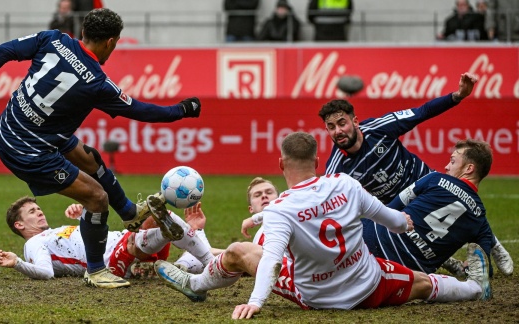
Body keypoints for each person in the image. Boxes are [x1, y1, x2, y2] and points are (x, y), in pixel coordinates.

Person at [0, 8, 202, 288]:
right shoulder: (97, 83)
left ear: (83, 32)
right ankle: (96, 271)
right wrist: (182, 109)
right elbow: (143, 111)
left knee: (90, 158)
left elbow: (4, 50)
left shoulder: (53, 39)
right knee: (96, 198)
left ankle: (130, 212)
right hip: (27, 150)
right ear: (110, 42)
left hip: (15, 127)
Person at [154, 132, 492, 319]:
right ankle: (477, 287)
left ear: (281, 164)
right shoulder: (345, 183)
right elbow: (392, 220)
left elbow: (271, 261)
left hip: (312, 295)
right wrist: (404, 222)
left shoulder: (280, 209)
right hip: (368, 285)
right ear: (317, 161)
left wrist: (256, 302)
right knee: (426, 284)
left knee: (239, 252)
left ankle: (198, 283)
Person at [318, 72, 513, 276]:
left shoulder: (379, 128)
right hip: (399, 205)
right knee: (421, 239)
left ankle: (492, 242)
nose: (338, 131)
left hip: (424, 181)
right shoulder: (337, 168)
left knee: (464, 198)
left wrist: (458, 95)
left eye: (342, 123)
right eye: (331, 127)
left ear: (355, 122)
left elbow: (422, 112)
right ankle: (450, 263)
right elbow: (331, 206)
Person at [362, 139, 495, 276]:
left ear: (469, 169)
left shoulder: (434, 179)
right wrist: (468, 267)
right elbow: (485, 269)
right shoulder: (480, 219)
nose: (447, 166)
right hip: (405, 273)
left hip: (372, 241)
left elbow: (391, 208)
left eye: (453, 161)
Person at [0, 196, 214, 280]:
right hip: (111, 263)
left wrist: (84, 216)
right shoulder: (34, 243)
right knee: (159, 221)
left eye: (38, 208)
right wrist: (18, 263)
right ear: (19, 225)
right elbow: (46, 272)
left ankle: (207, 255)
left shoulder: (53, 232)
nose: (39, 212)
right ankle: (202, 252)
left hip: (123, 242)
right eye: (32, 212)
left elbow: (89, 237)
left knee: (155, 218)